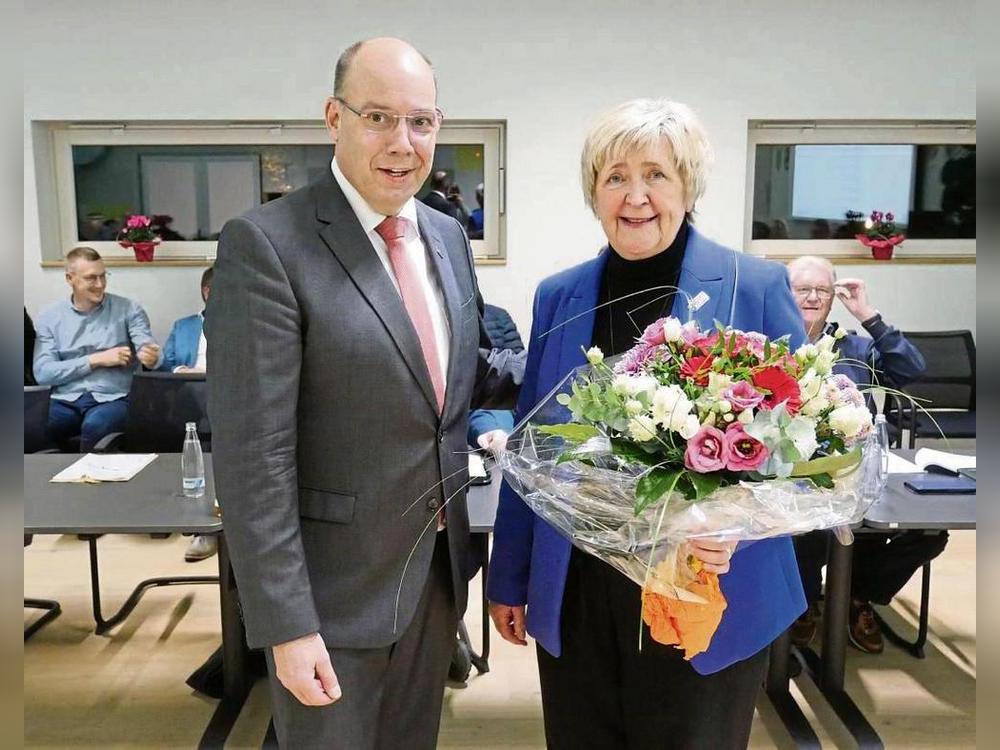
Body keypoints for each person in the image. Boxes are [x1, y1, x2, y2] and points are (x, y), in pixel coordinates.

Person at [204, 37, 523, 750]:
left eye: (421, 122)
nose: (402, 143)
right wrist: (286, 623)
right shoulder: (268, 244)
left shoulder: (444, 235)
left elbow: (457, 379)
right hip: (332, 598)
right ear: (333, 117)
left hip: (437, 581)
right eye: (378, 117)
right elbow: (256, 459)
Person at [486, 99, 807, 749]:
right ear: (594, 192)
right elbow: (532, 444)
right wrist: (510, 577)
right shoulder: (560, 294)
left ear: (688, 185)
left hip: (706, 582)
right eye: (615, 177)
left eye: (656, 175)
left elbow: (808, 444)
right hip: (578, 589)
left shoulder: (756, 285)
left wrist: (735, 525)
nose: (636, 196)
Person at [785, 255, 944, 654]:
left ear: (834, 297)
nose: (812, 297)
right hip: (792, 480)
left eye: (822, 290)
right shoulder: (768, 343)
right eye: (802, 289)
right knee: (807, 532)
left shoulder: (855, 346)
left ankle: (858, 595)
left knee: (928, 533)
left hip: (857, 476)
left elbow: (912, 370)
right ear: (784, 294)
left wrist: (868, 315)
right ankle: (803, 605)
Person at [33, 246, 162, 451]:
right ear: (70, 278)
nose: (100, 284)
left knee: (97, 425)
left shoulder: (128, 309)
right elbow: (43, 373)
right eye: (91, 278)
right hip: (65, 399)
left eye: (103, 276)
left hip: (113, 398)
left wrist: (152, 357)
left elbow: (147, 345)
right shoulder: (50, 317)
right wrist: (96, 360)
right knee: (28, 424)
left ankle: (86, 479)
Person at [159, 265, 217, 563]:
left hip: (227, 396)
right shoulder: (184, 326)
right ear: (208, 293)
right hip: (188, 396)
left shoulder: (246, 322)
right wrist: (187, 371)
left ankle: (210, 528)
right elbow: (165, 366)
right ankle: (203, 526)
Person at [160, 266, 213, 374]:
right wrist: (181, 371)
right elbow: (165, 364)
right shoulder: (182, 327)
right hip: (189, 384)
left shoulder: (246, 328)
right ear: (207, 292)